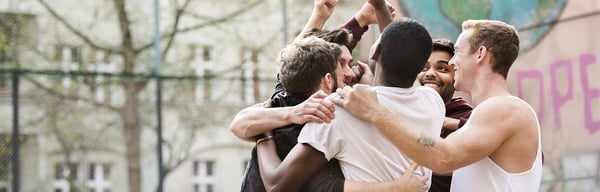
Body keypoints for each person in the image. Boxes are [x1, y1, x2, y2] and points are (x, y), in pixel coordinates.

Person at [331, 19, 543, 192]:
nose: (452, 62)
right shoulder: (487, 114)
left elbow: (444, 158)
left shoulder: (504, 109)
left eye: (457, 52)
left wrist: (375, 111)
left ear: (480, 54)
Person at [255, 17, 442, 192]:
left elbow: (276, 185)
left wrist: (263, 133)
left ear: (375, 51)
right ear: (423, 66)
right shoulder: (434, 102)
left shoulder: (338, 109)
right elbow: (405, 66)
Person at [418, 39, 473, 192]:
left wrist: (458, 125)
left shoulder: (468, 118)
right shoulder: (401, 112)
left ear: (455, 77)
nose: (430, 73)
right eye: (423, 67)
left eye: (441, 68)